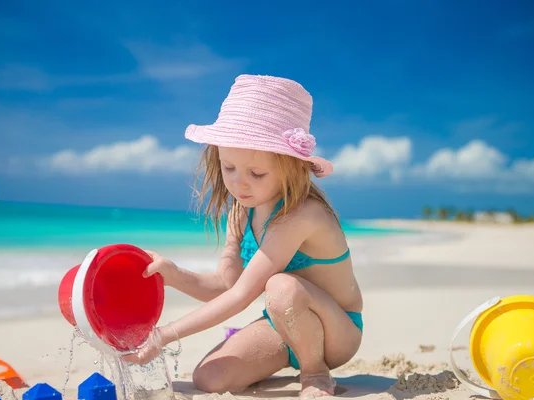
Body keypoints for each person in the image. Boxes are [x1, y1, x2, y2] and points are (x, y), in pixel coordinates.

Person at [123, 74, 364, 398]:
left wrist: (163, 335)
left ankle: (315, 372)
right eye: (229, 167)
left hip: (338, 331)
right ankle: (288, 355)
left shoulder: (300, 215)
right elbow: (227, 284)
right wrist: (174, 275)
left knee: (279, 287)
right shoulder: (242, 211)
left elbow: (241, 297)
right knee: (210, 378)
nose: (239, 184)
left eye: (257, 173)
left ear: (292, 167)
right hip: (285, 323)